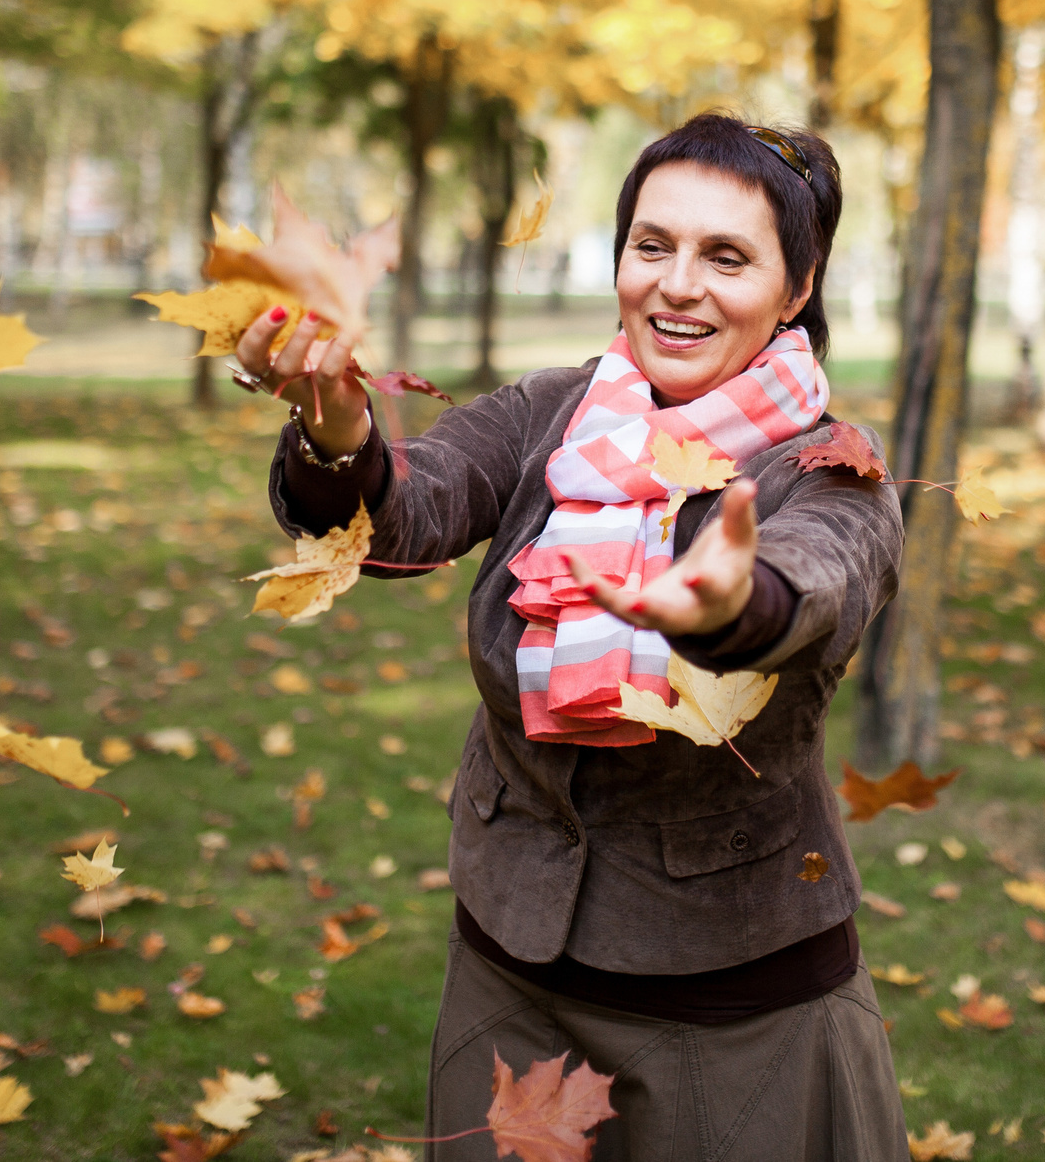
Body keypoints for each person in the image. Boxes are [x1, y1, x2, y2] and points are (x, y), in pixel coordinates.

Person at [236, 113, 909, 1160]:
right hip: (509, 980)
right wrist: (338, 432)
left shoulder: (830, 469)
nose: (677, 286)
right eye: (652, 245)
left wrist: (736, 607)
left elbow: (821, 578)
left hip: (733, 1012)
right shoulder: (550, 414)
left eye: (726, 257)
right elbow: (411, 507)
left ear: (797, 288)